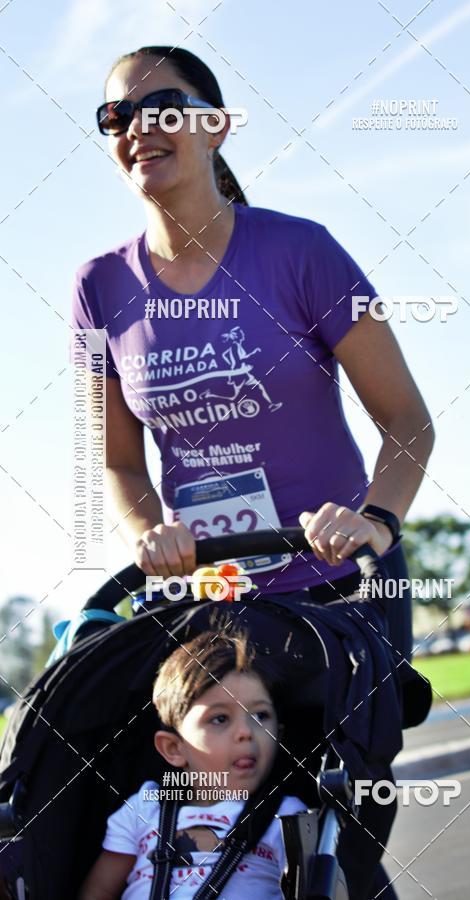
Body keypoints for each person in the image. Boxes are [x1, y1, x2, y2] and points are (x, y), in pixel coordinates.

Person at [72, 45, 435, 898]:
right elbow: (123, 464)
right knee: (219, 845)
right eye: (116, 116)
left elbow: (408, 424)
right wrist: (147, 534)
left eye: (162, 105)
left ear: (216, 126)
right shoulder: (98, 288)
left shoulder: (302, 251)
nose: (137, 128)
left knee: (327, 845)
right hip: (216, 602)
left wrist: (373, 521)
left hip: (338, 593)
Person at [79, 629, 306, 899]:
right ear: (175, 749)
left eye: (259, 716)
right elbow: (100, 891)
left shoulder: (286, 816)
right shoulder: (145, 808)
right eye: (220, 719)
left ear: (278, 734)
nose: (246, 732)